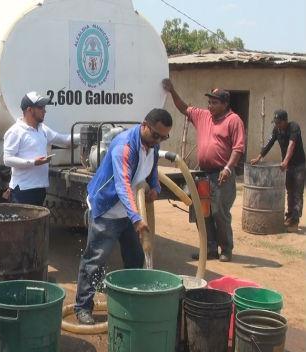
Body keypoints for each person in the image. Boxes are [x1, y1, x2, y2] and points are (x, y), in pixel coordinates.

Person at [74, 109, 173, 325]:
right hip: (107, 210)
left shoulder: (152, 146)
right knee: (96, 259)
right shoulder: (124, 146)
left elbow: (152, 169)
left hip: (129, 212)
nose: (158, 141)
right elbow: (122, 186)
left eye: (163, 137)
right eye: (156, 135)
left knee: (135, 258)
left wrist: (154, 186)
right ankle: (83, 307)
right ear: (145, 125)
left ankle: (132, 302)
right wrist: (137, 218)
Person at [163, 79, 245, 262]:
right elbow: (184, 108)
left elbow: (238, 148)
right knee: (203, 212)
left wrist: (228, 168)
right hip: (203, 174)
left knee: (219, 213)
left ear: (225, 104)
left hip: (221, 174)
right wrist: (172, 91)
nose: (210, 105)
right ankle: (210, 249)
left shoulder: (233, 120)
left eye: (215, 102)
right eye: (209, 102)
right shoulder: (203, 116)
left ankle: (225, 249)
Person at [3, 91, 73, 206]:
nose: (44, 111)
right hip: (23, 190)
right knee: (23, 223)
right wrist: (34, 162)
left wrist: (87, 134)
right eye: (40, 108)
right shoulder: (15, 132)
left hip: (39, 189)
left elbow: (64, 139)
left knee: (36, 224)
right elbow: (7, 159)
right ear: (29, 110)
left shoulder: (42, 129)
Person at [250, 109, 305, 232]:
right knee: (289, 191)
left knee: (297, 192)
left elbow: (292, 144)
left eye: (279, 123)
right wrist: (259, 157)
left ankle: (295, 219)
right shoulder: (277, 130)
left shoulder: (294, 127)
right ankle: (290, 216)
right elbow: (269, 143)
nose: (277, 125)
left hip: (299, 166)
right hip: (289, 166)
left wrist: (285, 161)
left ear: (285, 121)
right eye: (275, 122)